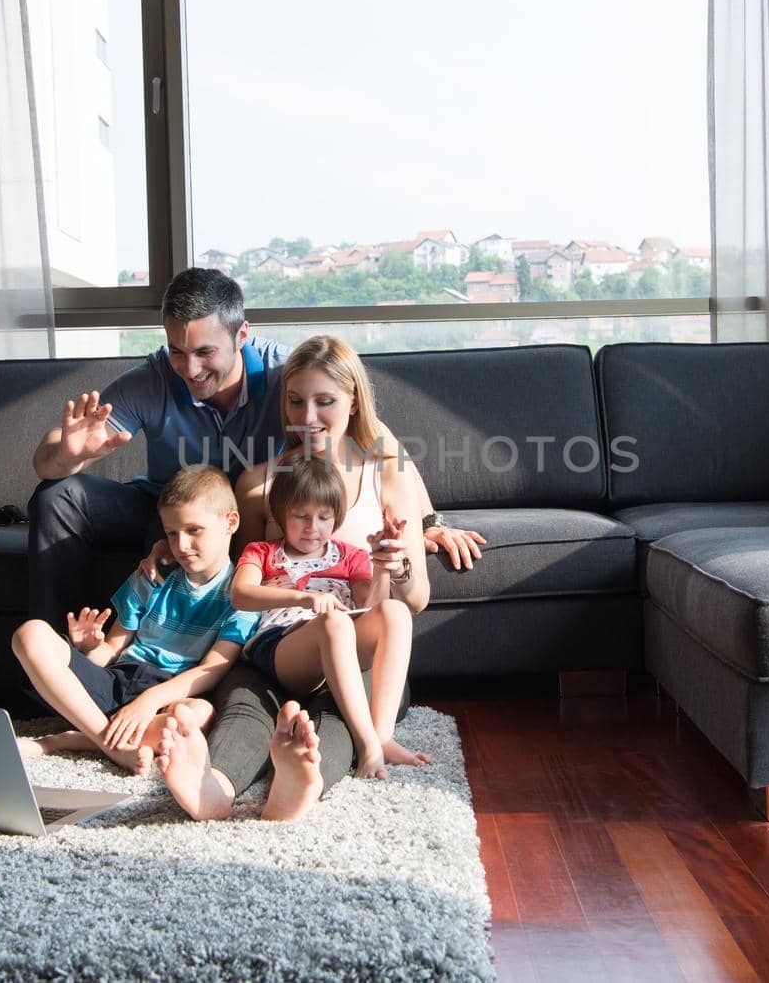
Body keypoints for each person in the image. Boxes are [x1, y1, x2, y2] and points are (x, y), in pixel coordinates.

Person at [27, 267, 485, 626]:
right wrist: (70, 453)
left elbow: (378, 443)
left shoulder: (290, 377)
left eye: (205, 352)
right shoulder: (153, 379)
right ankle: (58, 653)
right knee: (57, 493)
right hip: (166, 504)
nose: (189, 368)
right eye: (177, 351)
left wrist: (428, 521)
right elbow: (46, 458)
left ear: (242, 335)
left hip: (243, 508)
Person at [155, 334, 432, 822]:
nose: (307, 418)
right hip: (279, 643)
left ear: (353, 402)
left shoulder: (388, 474)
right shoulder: (259, 483)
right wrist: (173, 546)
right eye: (295, 401)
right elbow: (234, 578)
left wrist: (396, 566)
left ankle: (297, 785)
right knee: (244, 706)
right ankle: (213, 788)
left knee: (340, 721)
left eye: (325, 402)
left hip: (363, 651)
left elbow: (415, 600)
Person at [11, 466, 258, 774]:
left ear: (230, 522)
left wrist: (149, 701)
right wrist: (87, 650)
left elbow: (213, 668)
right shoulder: (152, 576)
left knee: (197, 716)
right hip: (118, 680)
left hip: (169, 693)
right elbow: (113, 647)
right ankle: (110, 744)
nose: (180, 545)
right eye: (171, 533)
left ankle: (66, 739)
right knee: (31, 633)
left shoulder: (242, 595)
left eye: (194, 530)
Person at [231, 457, 419, 781]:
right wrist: (304, 597)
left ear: (336, 517)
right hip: (283, 648)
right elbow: (240, 594)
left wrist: (382, 566)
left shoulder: (349, 556)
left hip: (341, 643)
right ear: (279, 514)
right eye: (300, 516)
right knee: (334, 623)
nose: (312, 528)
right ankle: (367, 744)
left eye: (323, 518)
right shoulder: (262, 551)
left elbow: (372, 607)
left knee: (395, 611)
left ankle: (383, 735)